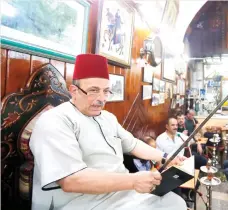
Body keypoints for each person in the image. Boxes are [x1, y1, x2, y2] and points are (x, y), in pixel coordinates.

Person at [29, 54, 186, 210]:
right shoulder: (55, 121)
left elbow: (133, 145)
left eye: (106, 91)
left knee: (175, 203)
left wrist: (166, 158)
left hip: (121, 192)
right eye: (93, 91)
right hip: (79, 201)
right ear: (74, 91)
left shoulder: (108, 118)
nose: (101, 99)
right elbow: (71, 180)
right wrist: (133, 181)